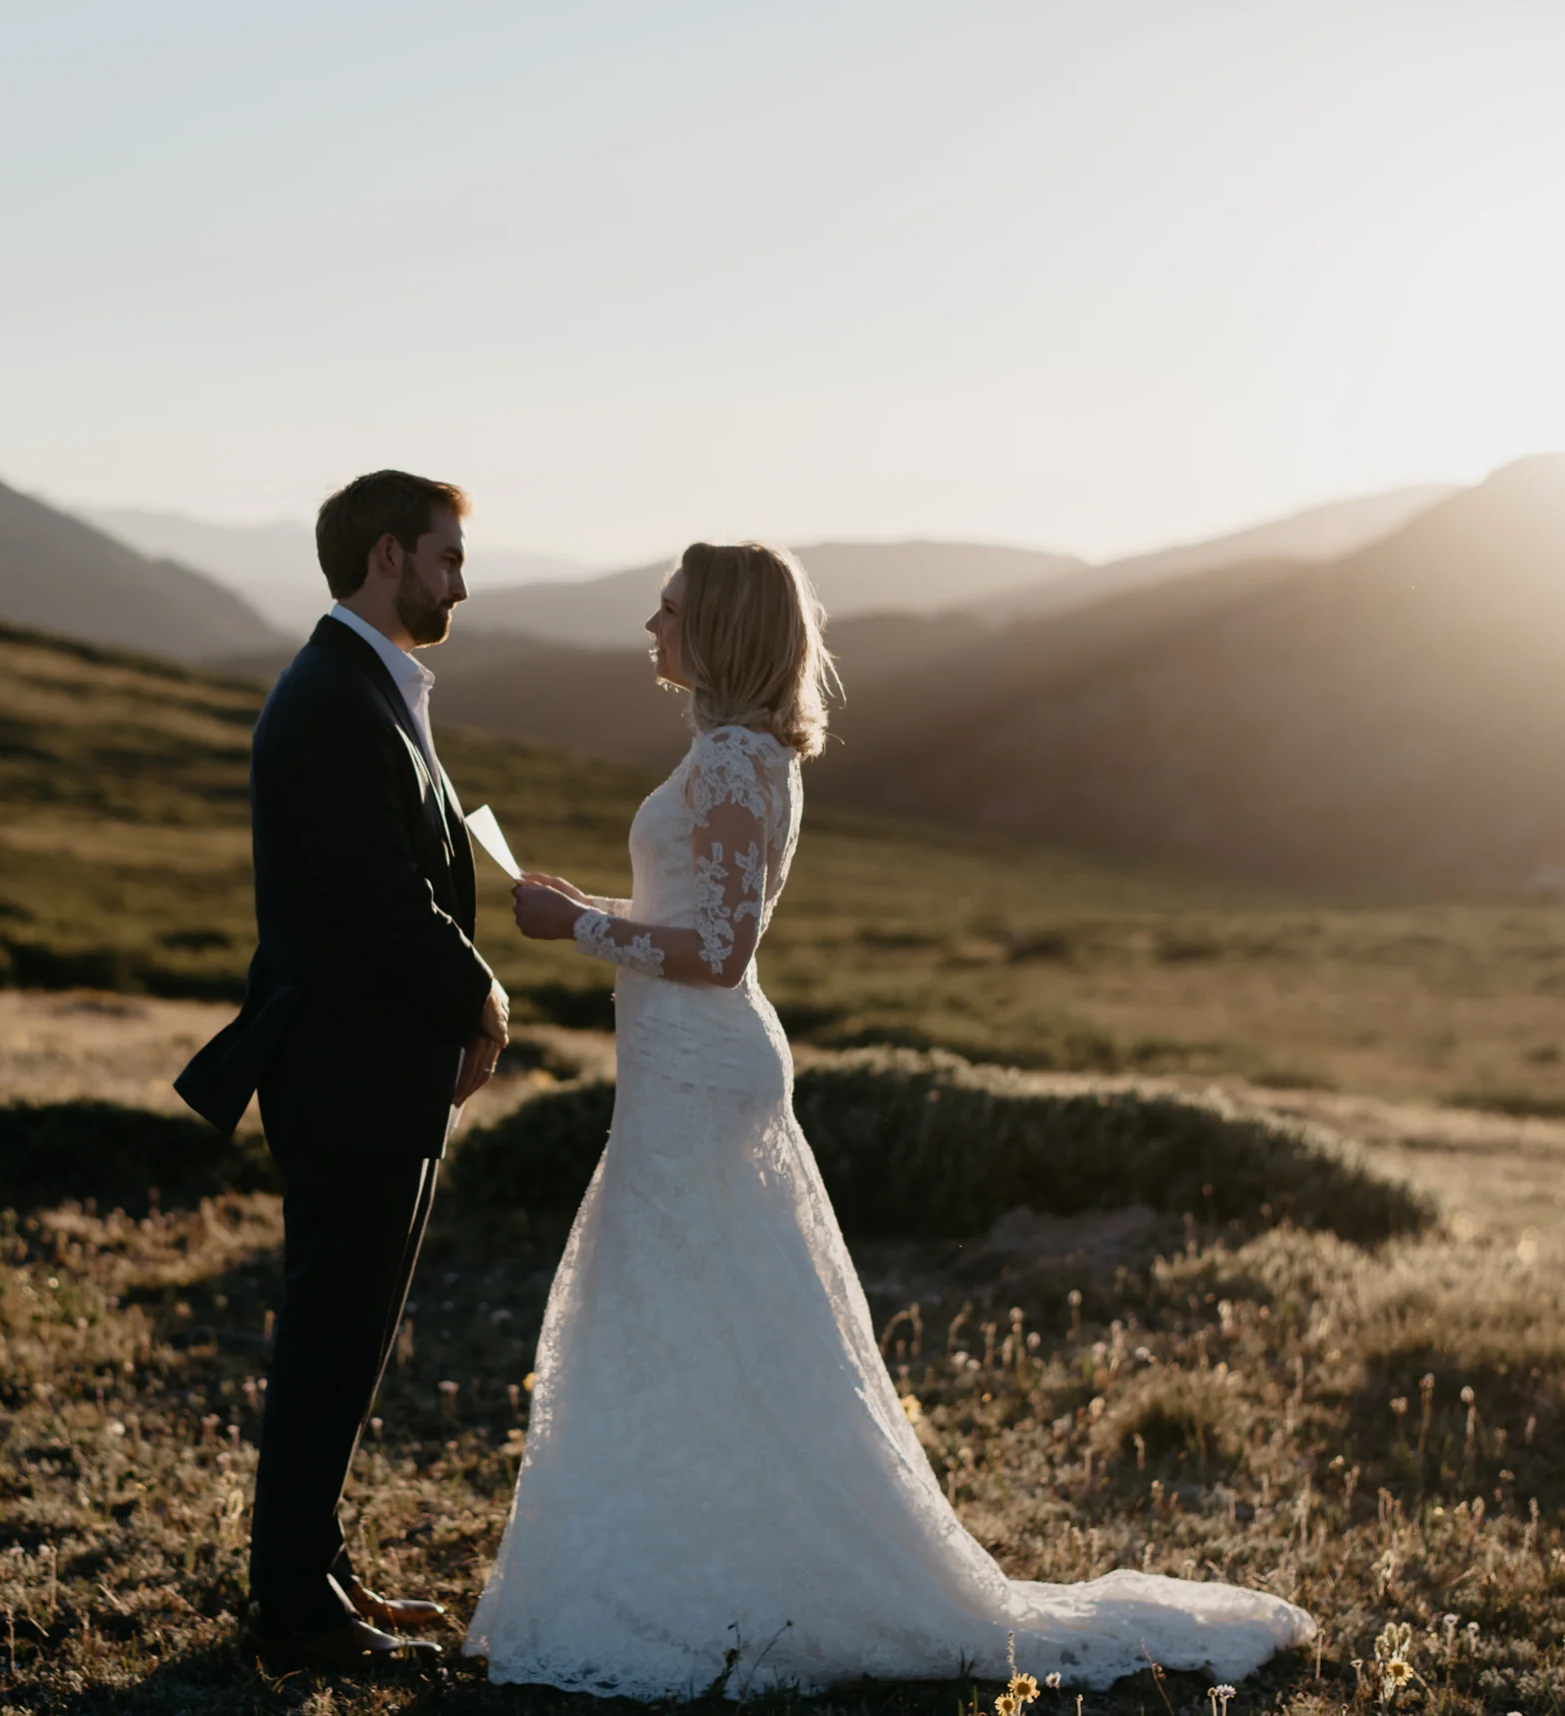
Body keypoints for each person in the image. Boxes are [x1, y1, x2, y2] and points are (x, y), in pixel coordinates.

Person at [465, 542, 1314, 1698]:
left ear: (717, 629)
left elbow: (717, 954)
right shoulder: (744, 755)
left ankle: (719, 1571)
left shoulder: (726, 761)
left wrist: (579, 932)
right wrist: (593, 907)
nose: (648, 627)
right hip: (688, 1068)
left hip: (703, 1071)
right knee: (709, 1318)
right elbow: (695, 920)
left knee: (694, 1309)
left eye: (667, 611)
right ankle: (708, 1551)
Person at [176, 469, 509, 1666]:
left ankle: (318, 1578)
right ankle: (297, 1610)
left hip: (381, 1071)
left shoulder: (369, 685)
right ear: (386, 558)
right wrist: (480, 992)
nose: (459, 582)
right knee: (331, 1334)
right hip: (348, 1071)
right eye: (446, 557)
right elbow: (379, 900)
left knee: (353, 1337)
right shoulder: (330, 698)